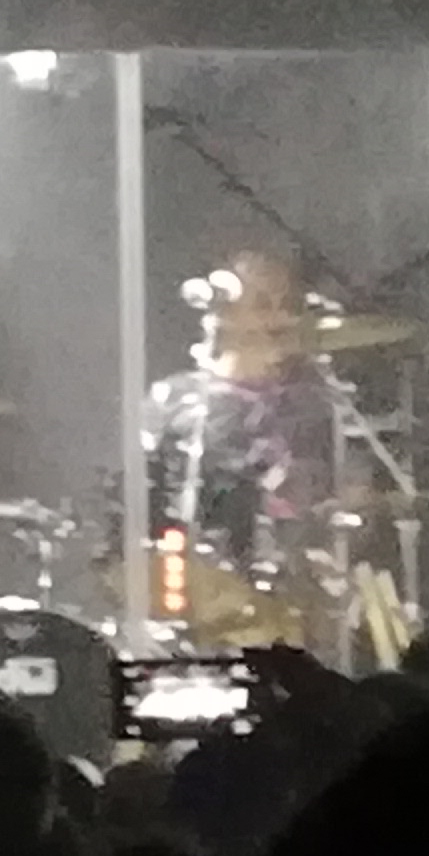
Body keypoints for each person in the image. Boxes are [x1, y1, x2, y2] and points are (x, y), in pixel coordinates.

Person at [146, 245, 363, 653]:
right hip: (206, 597)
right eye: (263, 304)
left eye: (287, 306)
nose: (278, 319)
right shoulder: (176, 403)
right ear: (224, 314)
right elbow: (138, 518)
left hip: (302, 597)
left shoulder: (318, 403)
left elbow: (352, 495)